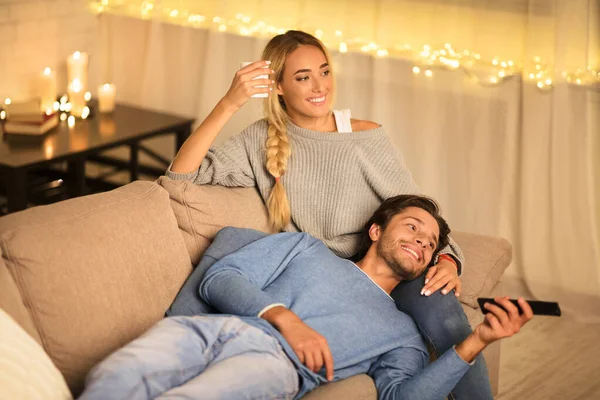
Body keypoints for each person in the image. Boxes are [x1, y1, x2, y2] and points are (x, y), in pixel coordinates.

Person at [166, 30, 489, 398]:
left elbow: (416, 211)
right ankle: (180, 345)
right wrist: (229, 103)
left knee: (446, 315)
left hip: (383, 265)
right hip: (320, 277)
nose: (319, 86)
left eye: (324, 72)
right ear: (279, 86)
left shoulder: (365, 136)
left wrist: (447, 259)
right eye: (303, 77)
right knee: (233, 246)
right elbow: (180, 179)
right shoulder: (261, 139)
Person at [79, 195, 533, 400]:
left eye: (431, 243)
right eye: (412, 226)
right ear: (376, 231)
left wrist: (477, 342)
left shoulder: (402, 335)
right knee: (115, 375)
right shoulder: (305, 247)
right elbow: (219, 278)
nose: (421, 241)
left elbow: (401, 398)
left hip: (274, 368)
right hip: (205, 330)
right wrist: (286, 319)